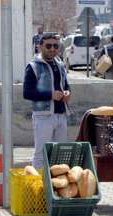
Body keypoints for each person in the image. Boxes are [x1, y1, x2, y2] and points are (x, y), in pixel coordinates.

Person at [23, 33, 71, 168]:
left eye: (55, 46)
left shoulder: (60, 64)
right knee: (41, 154)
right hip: (43, 116)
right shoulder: (33, 66)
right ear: (40, 46)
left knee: (61, 155)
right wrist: (50, 95)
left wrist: (68, 92)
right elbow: (27, 93)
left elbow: (65, 85)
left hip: (61, 114)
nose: (52, 49)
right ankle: (38, 187)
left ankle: (56, 186)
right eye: (48, 46)